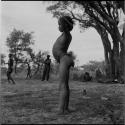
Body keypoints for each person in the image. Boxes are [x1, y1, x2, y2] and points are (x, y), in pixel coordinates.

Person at [52, 16, 75, 114]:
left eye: (60, 24)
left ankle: (61, 110)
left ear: (65, 25)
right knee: (65, 85)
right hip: (64, 59)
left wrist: (65, 21)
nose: (58, 26)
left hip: (64, 59)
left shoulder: (66, 34)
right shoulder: (64, 34)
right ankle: (66, 108)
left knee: (62, 85)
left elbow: (67, 26)